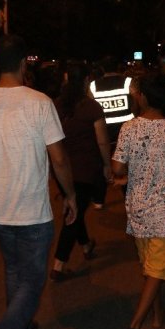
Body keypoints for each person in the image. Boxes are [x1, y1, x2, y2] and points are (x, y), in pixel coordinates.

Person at [0, 35, 78, 329]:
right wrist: (70, 195)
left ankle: (22, 328)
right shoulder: (40, 103)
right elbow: (59, 158)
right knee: (32, 280)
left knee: (14, 271)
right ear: (22, 63)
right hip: (32, 212)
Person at [112, 73, 165, 329]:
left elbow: (117, 167)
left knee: (151, 269)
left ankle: (158, 314)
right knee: (157, 270)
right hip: (164, 213)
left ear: (144, 97)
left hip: (137, 210)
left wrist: (133, 173)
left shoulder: (128, 128)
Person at [50, 62, 112, 281]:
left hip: (61, 169)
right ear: (86, 80)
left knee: (75, 206)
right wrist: (107, 165)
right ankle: (58, 265)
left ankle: (86, 245)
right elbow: (102, 141)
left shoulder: (55, 106)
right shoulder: (91, 107)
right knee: (74, 214)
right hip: (86, 169)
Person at [89, 55, 134, 209]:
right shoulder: (128, 82)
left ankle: (99, 200)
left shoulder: (93, 85)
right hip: (125, 130)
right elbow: (136, 102)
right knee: (125, 165)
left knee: (103, 164)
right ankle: (129, 198)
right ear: (118, 67)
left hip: (103, 131)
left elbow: (91, 107)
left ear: (102, 69)